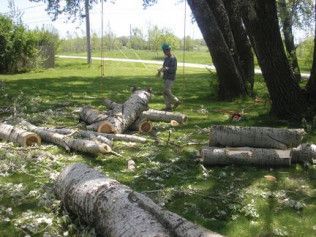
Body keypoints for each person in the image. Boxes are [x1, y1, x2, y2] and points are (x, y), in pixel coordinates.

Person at [158, 43, 180, 111]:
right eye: (163, 51)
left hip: (170, 77)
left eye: (165, 51)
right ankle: (168, 107)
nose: (164, 52)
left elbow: (173, 69)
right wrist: (160, 70)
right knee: (165, 92)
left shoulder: (173, 58)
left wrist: (166, 69)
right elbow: (164, 67)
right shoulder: (166, 58)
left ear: (169, 50)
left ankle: (176, 101)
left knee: (166, 91)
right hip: (165, 77)